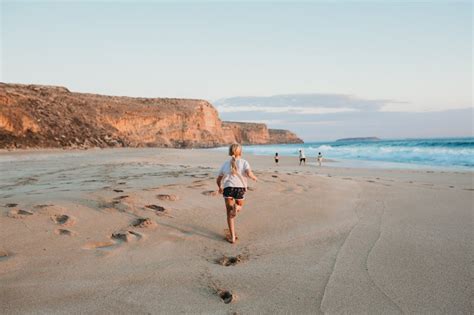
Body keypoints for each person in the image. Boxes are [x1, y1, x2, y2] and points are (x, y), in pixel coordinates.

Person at [216, 144, 258, 244]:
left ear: (230, 152)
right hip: (240, 189)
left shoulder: (225, 164)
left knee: (229, 214)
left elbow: (218, 179)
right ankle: (237, 208)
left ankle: (233, 237)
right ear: (241, 152)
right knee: (239, 207)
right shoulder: (244, 162)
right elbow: (248, 173)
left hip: (228, 188)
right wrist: (254, 177)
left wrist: (220, 188)